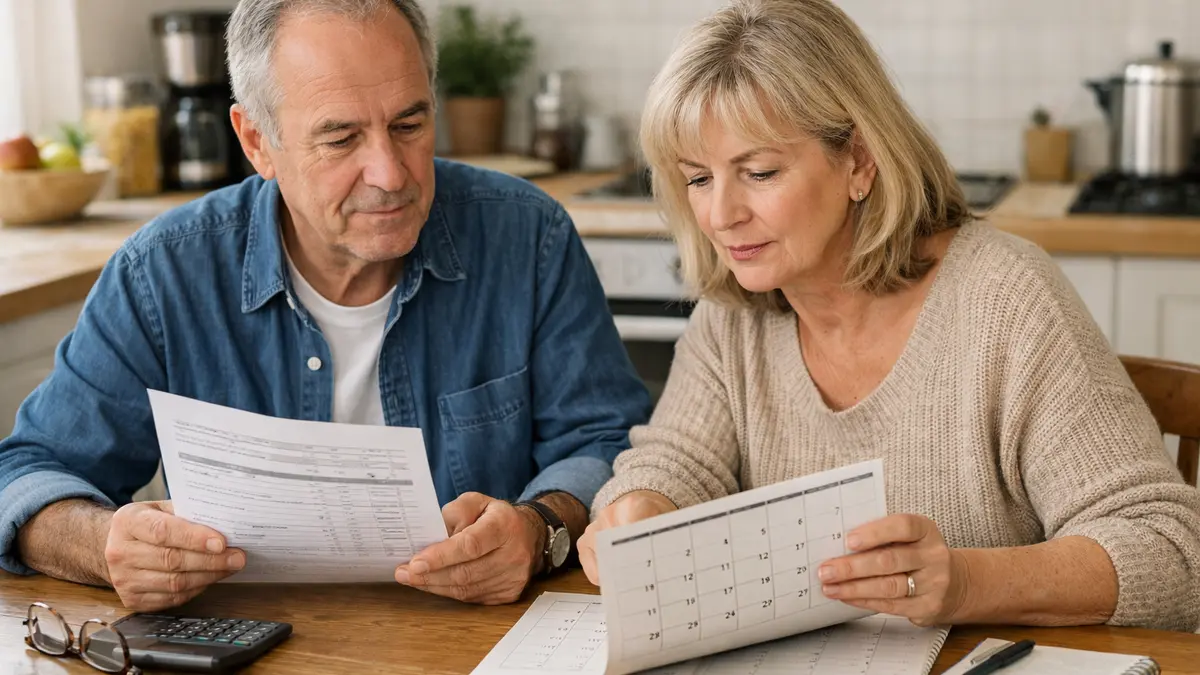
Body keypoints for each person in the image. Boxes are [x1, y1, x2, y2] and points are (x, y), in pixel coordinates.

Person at [0, 0, 651, 612]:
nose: (390, 173)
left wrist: (540, 531)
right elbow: (26, 473)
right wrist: (105, 542)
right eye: (341, 138)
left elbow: (607, 443)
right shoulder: (164, 273)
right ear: (256, 140)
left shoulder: (528, 237)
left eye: (409, 123)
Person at [578, 0, 1200, 632]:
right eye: (698, 179)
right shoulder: (732, 318)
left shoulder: (1007, 299)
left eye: (759, 172)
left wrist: (966, 584)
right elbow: (677, 464)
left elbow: (1171, 554)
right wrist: (639, 508)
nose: (720, 215)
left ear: (859, 161)